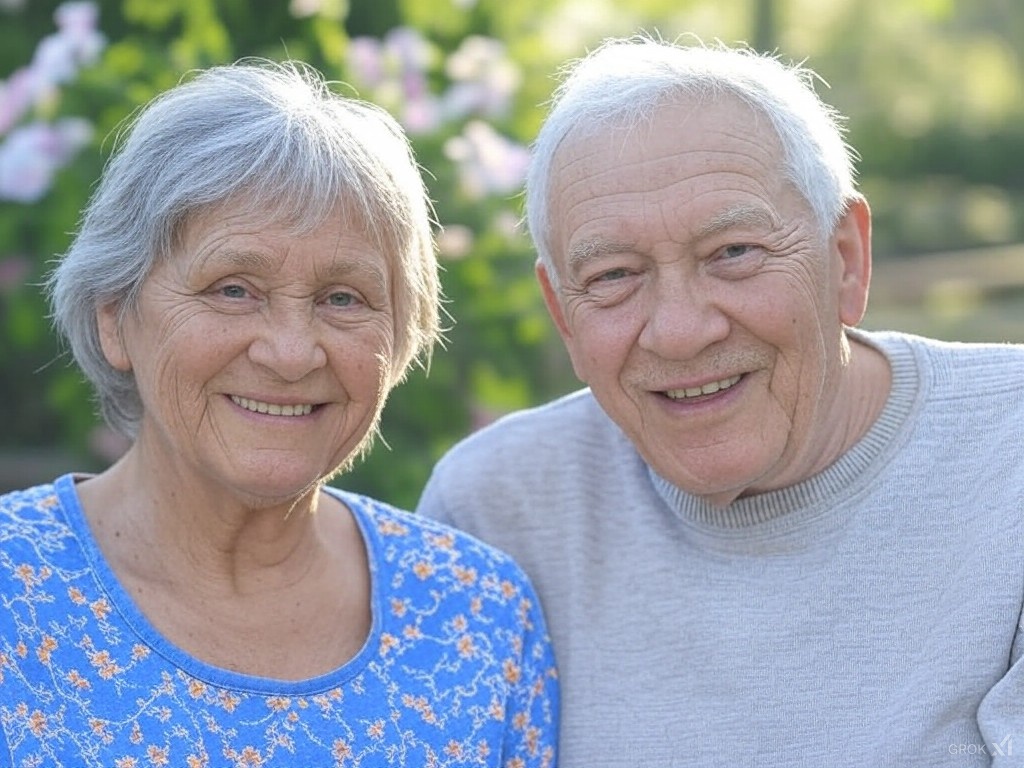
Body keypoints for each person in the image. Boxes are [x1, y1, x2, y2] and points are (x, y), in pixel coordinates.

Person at [417, 35, 1024, 767]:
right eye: (613, 274)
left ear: (845, 261)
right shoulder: (497, 510)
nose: (679, 332)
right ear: (562, 313)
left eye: (733, 254)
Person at [0, 59, 557, 767]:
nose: (293, 353)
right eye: (234, 289)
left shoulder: (478, 620)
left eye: (343, 298)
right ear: (115, 318)